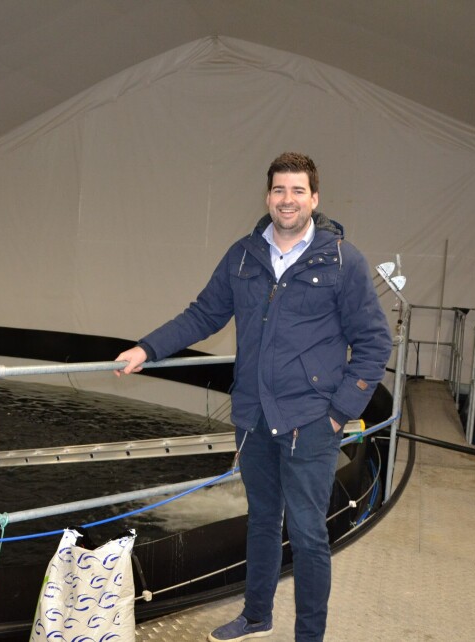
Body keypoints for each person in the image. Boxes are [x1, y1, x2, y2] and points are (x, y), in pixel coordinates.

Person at [114, 152, 392, 641]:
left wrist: (338, 413)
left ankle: (309, 636)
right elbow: (203, 314)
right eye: (279, 190)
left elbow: (374, 343)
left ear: (314, 199)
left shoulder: (342, 260)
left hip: (311, 420)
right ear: (267, 197)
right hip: (255, 415)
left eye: (298, 190)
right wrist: (147, 348)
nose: (288, 199)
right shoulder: (243, 255)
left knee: (308, 533)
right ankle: (256, 615)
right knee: (262, 519)